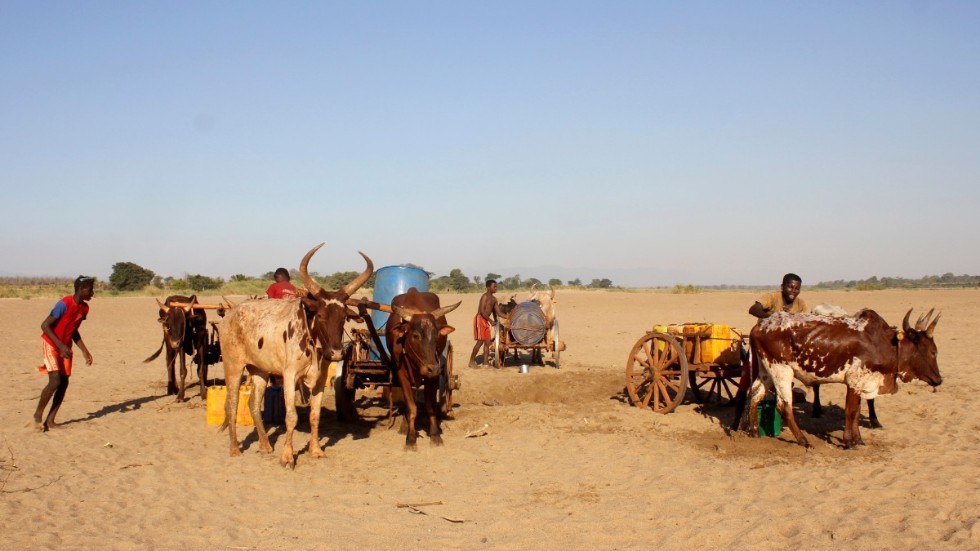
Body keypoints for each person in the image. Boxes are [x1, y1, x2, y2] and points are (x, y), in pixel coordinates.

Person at [33, 275, 95, 431]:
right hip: (52, 344)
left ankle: (50, 421)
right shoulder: (63, 304)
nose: (92, 293)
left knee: (64, 383)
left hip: (65, 347)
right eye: (90, 289)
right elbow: (45, 325)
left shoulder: (84, 308)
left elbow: (74, 331)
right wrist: (60, 345)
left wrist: (84, 351)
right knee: (55, 381)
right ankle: (37, 416)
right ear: (81, 289)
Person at [469, 279, 505, 368]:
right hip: (480, 319)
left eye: (496, 286)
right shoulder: (484, 296)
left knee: (487, 342)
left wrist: (509, 317)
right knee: (480, 342)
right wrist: (490, 320)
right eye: (494, 287)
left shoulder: (494, 299)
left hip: (486, 320)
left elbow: (499, 313)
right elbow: (481, 311)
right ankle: (471, 361)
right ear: (488, 287)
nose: (496, 288)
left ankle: (485, 362)